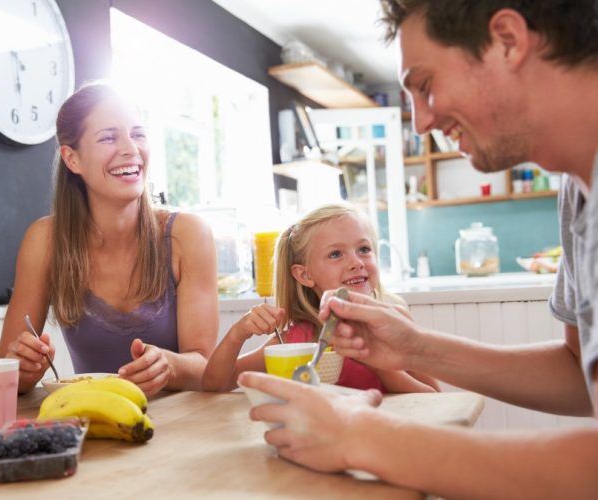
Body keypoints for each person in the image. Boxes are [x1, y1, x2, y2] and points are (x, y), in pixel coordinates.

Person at [240, 1, 598, 497]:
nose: (421, 121)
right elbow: (578, 376)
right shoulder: (577, 194)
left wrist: (363, 439)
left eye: (424, 85)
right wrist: (413, 346)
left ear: (508, 41)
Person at [0, 81, 219, 396]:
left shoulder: (188, 235)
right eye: (109, 137)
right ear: (72, 159)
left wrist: (169, 365)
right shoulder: (44, 241)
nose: (131, 149)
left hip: (180, 429)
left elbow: (207, 369)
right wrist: (23, 368)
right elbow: (3, 375)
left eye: (138, 134)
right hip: (95, 425)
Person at [203, 203, 437, 393]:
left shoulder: (395, 321)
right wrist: (237, 334)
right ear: (304, 274)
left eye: (364, 249)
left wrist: (379, 364)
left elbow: (434, 399)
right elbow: (215, 384)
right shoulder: (296, 341)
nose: (356, 262)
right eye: (336, 254)